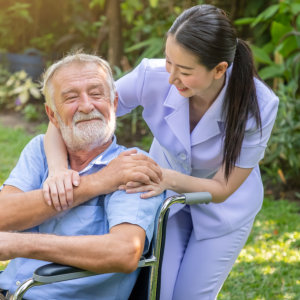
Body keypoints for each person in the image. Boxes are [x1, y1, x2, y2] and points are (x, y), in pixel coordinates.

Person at [43, 4, 279, 300]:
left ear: (219, 69)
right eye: (169, 62)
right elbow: (72, 114)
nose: (171, 78)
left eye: (185, 71)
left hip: (223, 208)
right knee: (158, 292)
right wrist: (57, 170)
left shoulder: (259, 106)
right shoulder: (150, 76)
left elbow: (221, 189)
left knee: (190, 296)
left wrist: (159, 176)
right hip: (167, 201)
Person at [0, 53, 164, 300]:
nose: (87, 106)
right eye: (71, 97)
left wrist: (20, 244)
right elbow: (4, 214)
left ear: (114, 103)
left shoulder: (132, 165)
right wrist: (98, 183)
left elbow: (124, 252)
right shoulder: (40, 151)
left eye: (96, 94)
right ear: (53, 116)